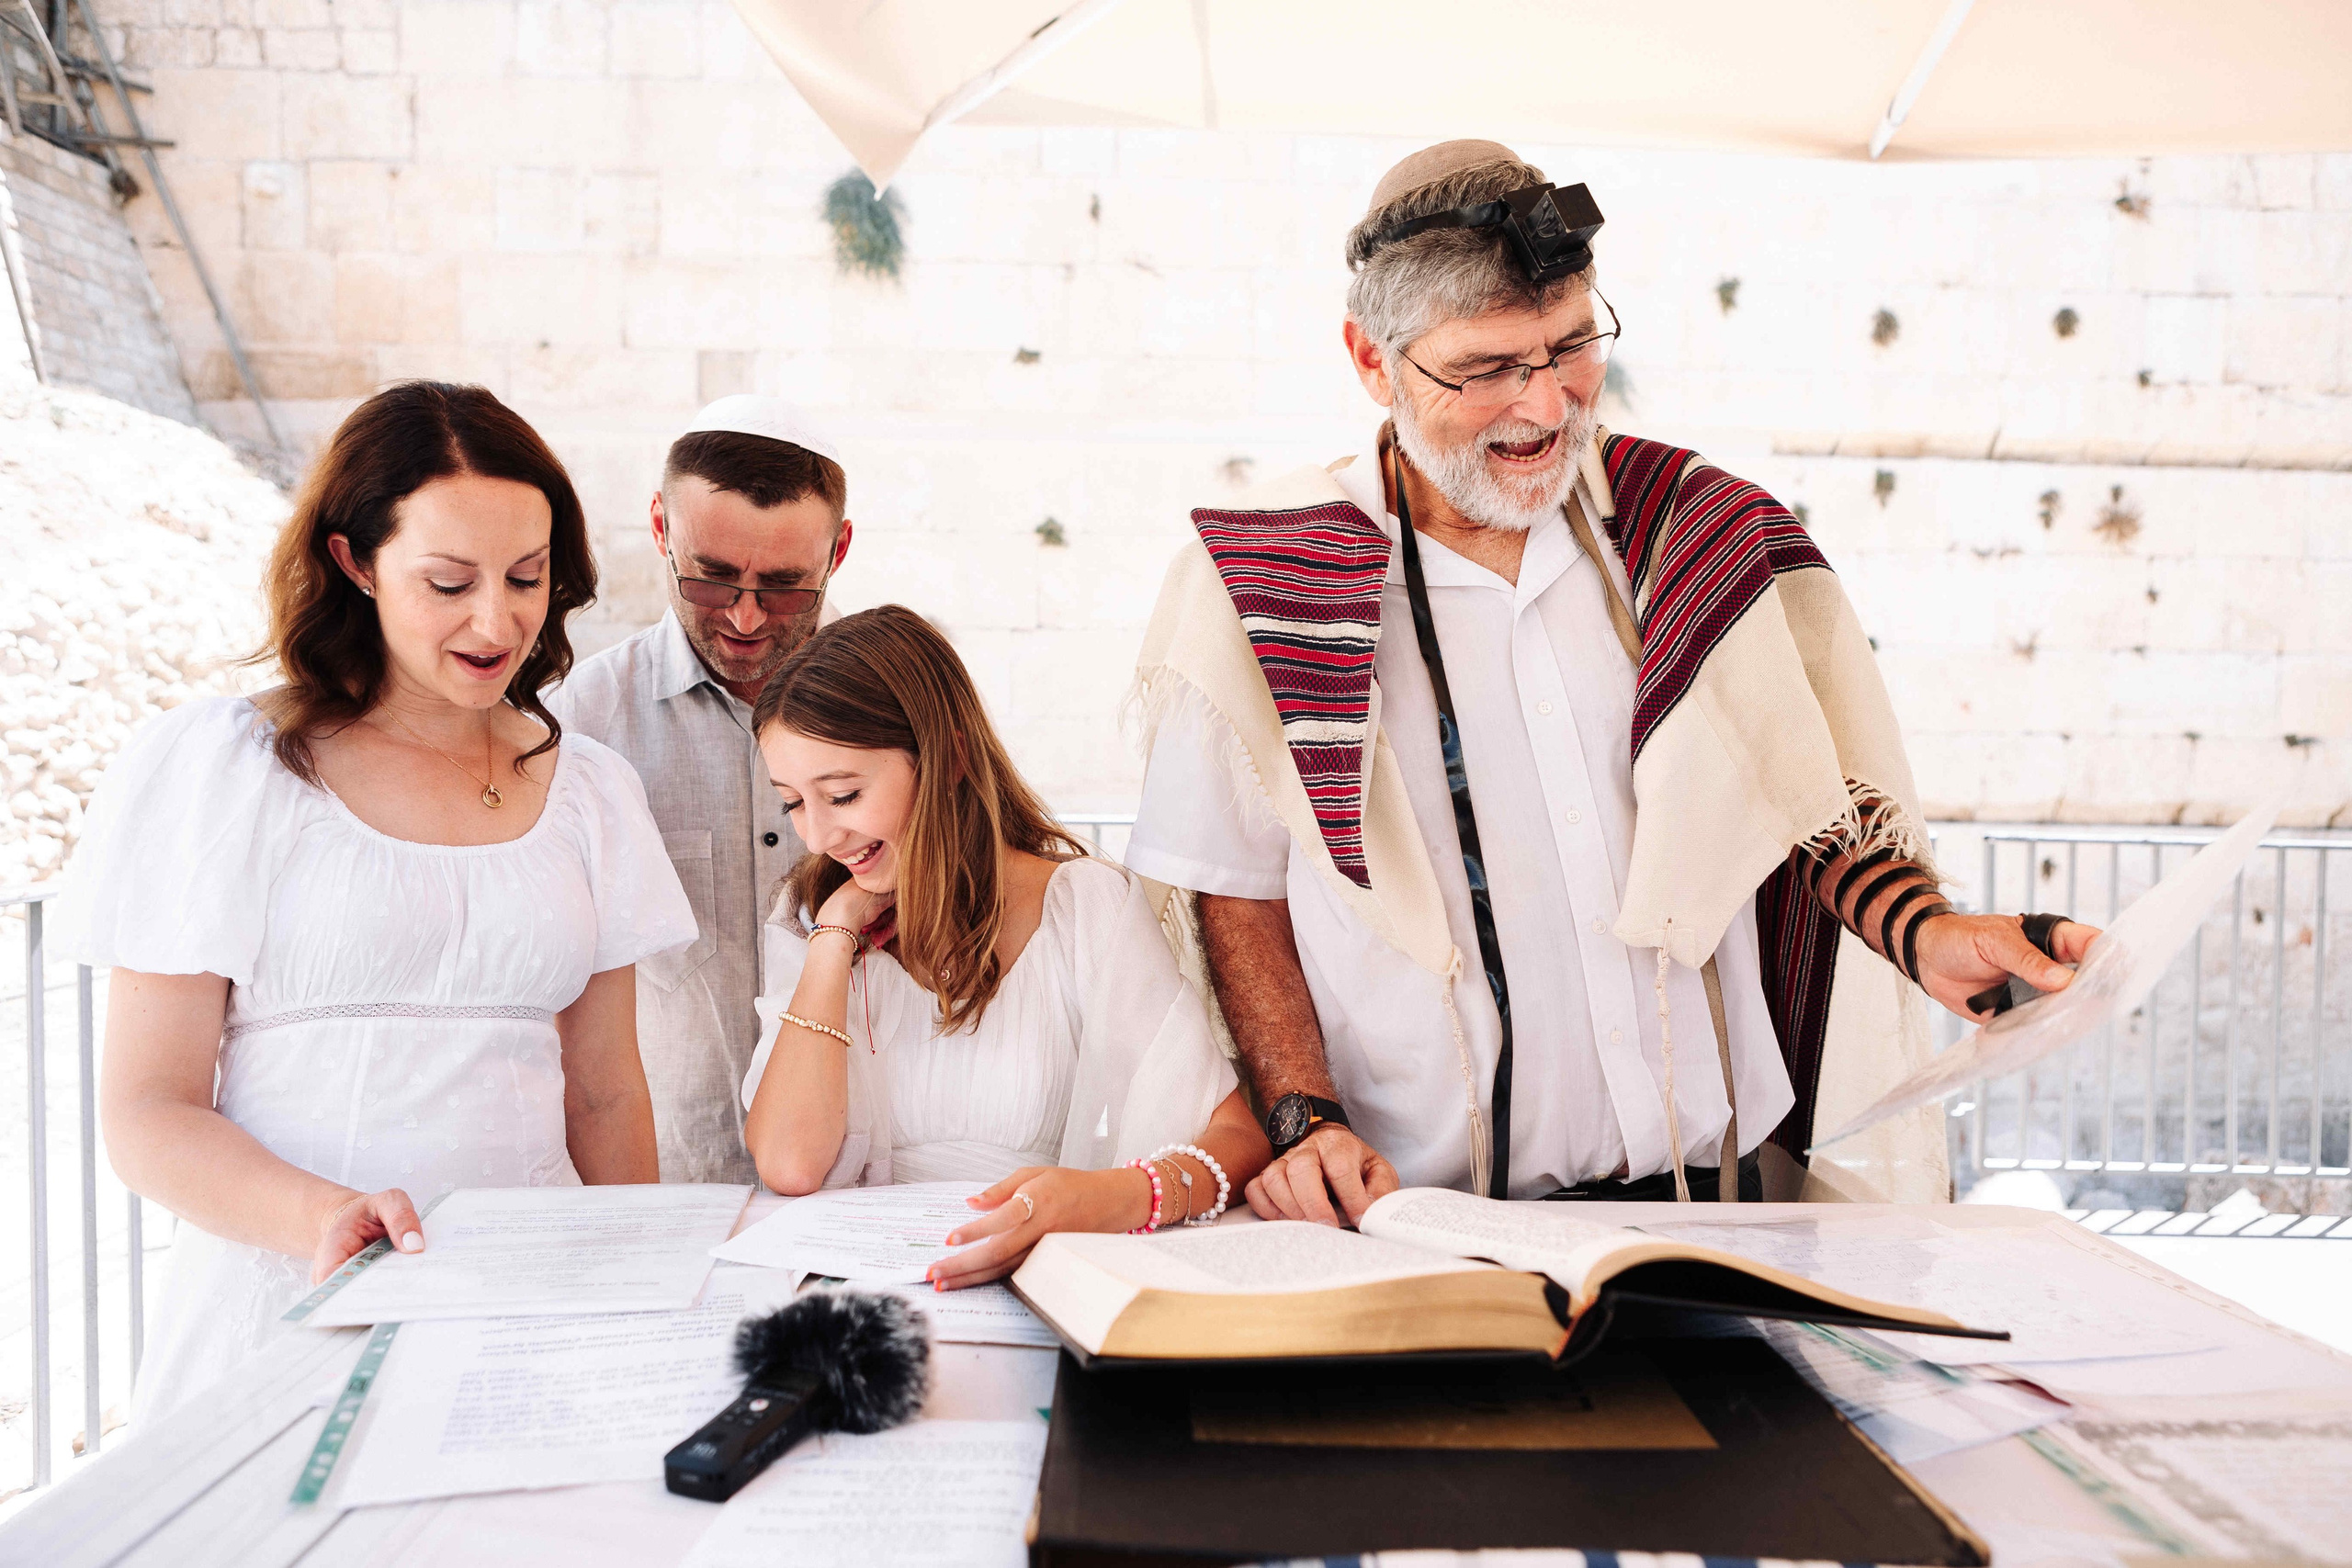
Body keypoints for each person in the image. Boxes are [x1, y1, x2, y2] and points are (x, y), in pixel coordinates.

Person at [1126, 141, 2098, 1223]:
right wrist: (1304, 1116)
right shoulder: (1265, 586)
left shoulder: (1694, 530)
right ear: (1372, 359)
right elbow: (1235, 891)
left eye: (1571, 345)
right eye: (1488, 368)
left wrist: (1927, 931)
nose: (1547, 406)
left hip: (1718, 1210)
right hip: (1421, 1222)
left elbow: (1795, 804)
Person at [59, 381, 695, 1423]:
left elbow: (606, 1096)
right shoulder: (230, 767)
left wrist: (641, 1292)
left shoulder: (591, 789)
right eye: (449, 582)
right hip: (290, 1306)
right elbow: (147, 1111)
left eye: (527, 577)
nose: (498, 620)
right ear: (355, 561)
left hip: (526, 1311)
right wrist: (324, 1216)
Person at [740, 605, 1270, 1289]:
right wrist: (834, 935)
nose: (817, 837)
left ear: (950, 759)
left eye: (842, 795)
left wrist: (1103, 1197)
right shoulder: (810, 916)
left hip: (1033, 1286)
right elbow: (789, 1164)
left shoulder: (1082, 905)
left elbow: (1235, 1139)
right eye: (792, 803)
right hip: (854, 1295)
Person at [546, 397, 852, 1184]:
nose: (746, 618)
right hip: (668, 1186)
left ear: (840, 550)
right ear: (660, 528)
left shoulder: (901, 706)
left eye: (786, 588)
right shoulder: (581, 724)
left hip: (866, 1182)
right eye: (712, 580)